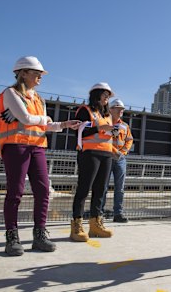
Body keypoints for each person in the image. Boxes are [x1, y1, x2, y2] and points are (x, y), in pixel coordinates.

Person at [0, 56, 80, 256]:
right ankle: (12, 237)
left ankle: (39, 235)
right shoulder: (10, 93)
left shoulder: (38, 99)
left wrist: (63, 125)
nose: (40, 77)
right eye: (37, 74)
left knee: (44, 191)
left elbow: (40, 123)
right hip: (16, 146)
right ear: (23, 73)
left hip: (37, 147)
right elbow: (26, 119)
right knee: (15, 192)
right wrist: (43, 119)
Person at [70, 82, 115, 242]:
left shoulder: (107, 115)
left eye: (108, 96)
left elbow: (104, 131)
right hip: (89, 154)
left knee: (100, 190)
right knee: (84, 188)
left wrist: (113, 131)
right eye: (105, 95)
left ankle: (96, 224)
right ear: (97, 95)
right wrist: (100, 128)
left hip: (106, 154)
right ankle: (76, 224)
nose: (107, 98)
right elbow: (79, 132)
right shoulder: (85, 110)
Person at [101, 98, 133, 223]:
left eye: (122, 109)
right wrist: (114, 151)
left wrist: (123, 152)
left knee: (120, 188)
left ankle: (118, 214)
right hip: (106, 157)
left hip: (120, 158)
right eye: (119, 109)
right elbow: (102, 139)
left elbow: (129, 140)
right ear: (111, 109)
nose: (121, 111)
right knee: (102, 186)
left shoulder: (124, 126)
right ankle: (99, 213)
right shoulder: (104, 123)